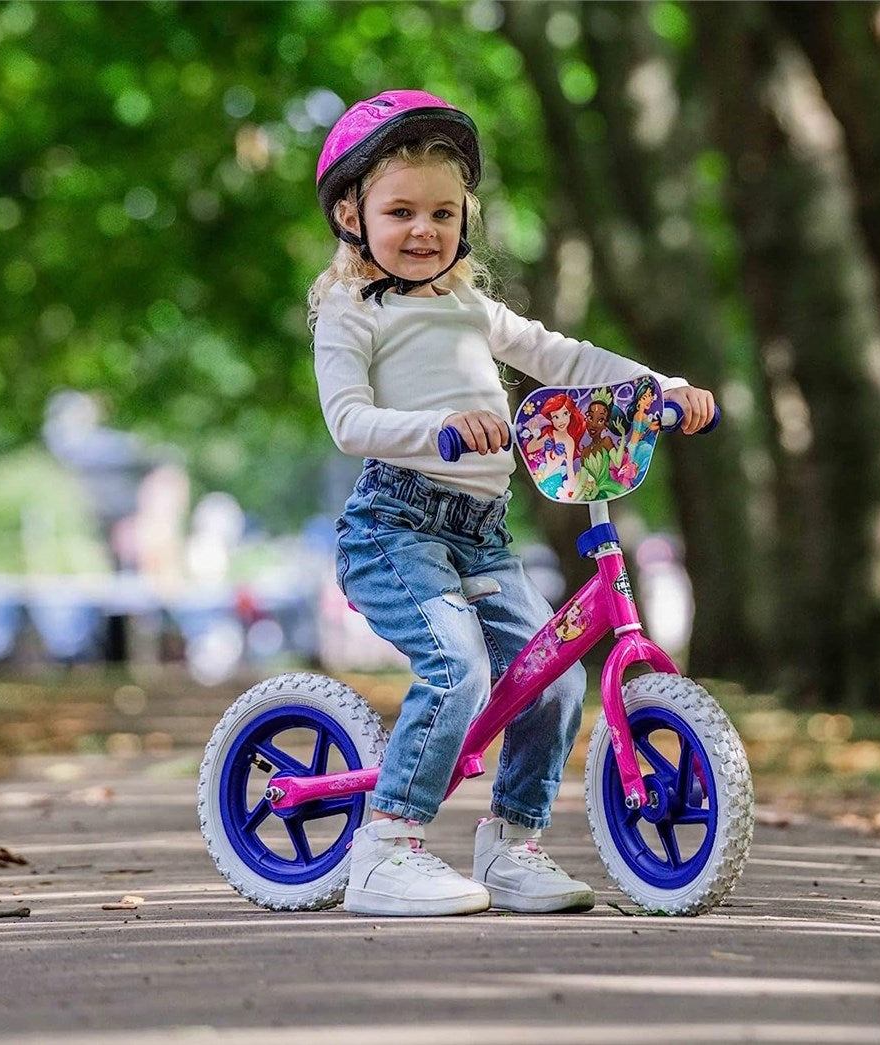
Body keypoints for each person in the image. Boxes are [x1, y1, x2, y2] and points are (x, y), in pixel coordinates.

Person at [309, 89, 717, 917]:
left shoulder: (470, 307)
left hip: (481, 534)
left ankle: (512, 844)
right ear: (352, 213)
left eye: (441, 212)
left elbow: (561, 355)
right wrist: (440, 432)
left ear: (466, 218)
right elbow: (349, 421)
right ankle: (386, 847)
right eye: (400, 211)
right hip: (396, 524)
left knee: (555, 678)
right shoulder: (351, 312)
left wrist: (656, 388)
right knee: (457, 667)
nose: (422, 229)